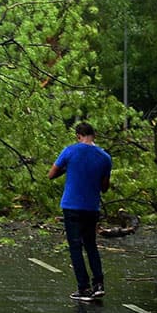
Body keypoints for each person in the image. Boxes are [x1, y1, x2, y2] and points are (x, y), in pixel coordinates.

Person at [48, 122, 112, 302]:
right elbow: (104, 187)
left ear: (78, 135)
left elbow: (51, 174)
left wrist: (68, 169)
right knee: (91, 244)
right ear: (94, 135)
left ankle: (83, 287)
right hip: (92, 207)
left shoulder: (70, 151)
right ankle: (98, 284)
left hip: (71, 205)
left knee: (75, 247)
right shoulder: (105, 157)